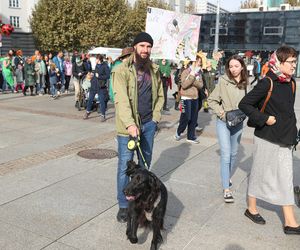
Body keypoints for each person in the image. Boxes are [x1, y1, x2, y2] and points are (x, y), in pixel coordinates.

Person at [239, 46, 300, 234]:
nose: (294, 66)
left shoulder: (291, 83)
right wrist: (264, 118)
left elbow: (288, 111)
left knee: (285, 177)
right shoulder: (267, 82)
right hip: (267, 136)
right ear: (280, 62)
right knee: (260, 172)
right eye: (291, 62)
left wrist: (294, 133)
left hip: (285, 137)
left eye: (295, 62)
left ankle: (290, 221)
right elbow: (245, 104)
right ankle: (251, 208)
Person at [111, 32, 164, 223]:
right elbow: (121, 100)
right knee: (125, 166)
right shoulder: (121, 70)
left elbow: (160, 96)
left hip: (149, 124)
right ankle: (124, 205)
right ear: (135, 47)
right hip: (128, 128)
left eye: (148, 46)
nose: (145, 50)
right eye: (142, 46)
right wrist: (131, 124)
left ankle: (140, 200)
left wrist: (156, 119)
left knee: (144, 166)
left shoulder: (154, 69)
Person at [207, 55, 248, 203]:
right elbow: (211, 100)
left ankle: (227, 177)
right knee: (225, 154)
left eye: (236, 66)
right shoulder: (223, 81)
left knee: (233, 154)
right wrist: (222, 113)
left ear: (242, 66)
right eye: (231, 66)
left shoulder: (245, 82)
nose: (233, 69)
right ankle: (226, 189)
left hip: (238, 121)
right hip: (224, 122)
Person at [174, 54, 204, 144]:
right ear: (193, 62)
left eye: (200, 63)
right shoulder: (186, 72)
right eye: (198, 62)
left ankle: (191, 136)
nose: (200, 64)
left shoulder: (198, 73)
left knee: (193, 118)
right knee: (186, 117)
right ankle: (179, 132)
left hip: (195, 97)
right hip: (185, 98)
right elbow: (184, 85)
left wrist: (193, 79)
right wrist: (192, 76)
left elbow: (201, 85)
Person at [83, 54, 110, 122]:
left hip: (101, 87)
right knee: (90, 99)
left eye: (96, 59)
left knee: (102, 101)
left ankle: (103, 115)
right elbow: (95, 74)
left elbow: (108, 76)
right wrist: (92, 76)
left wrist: (99, 76)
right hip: (94, 85)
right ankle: (88, 112)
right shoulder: (96, 66)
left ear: (99, 59)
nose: (95, 60)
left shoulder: (105, 66)